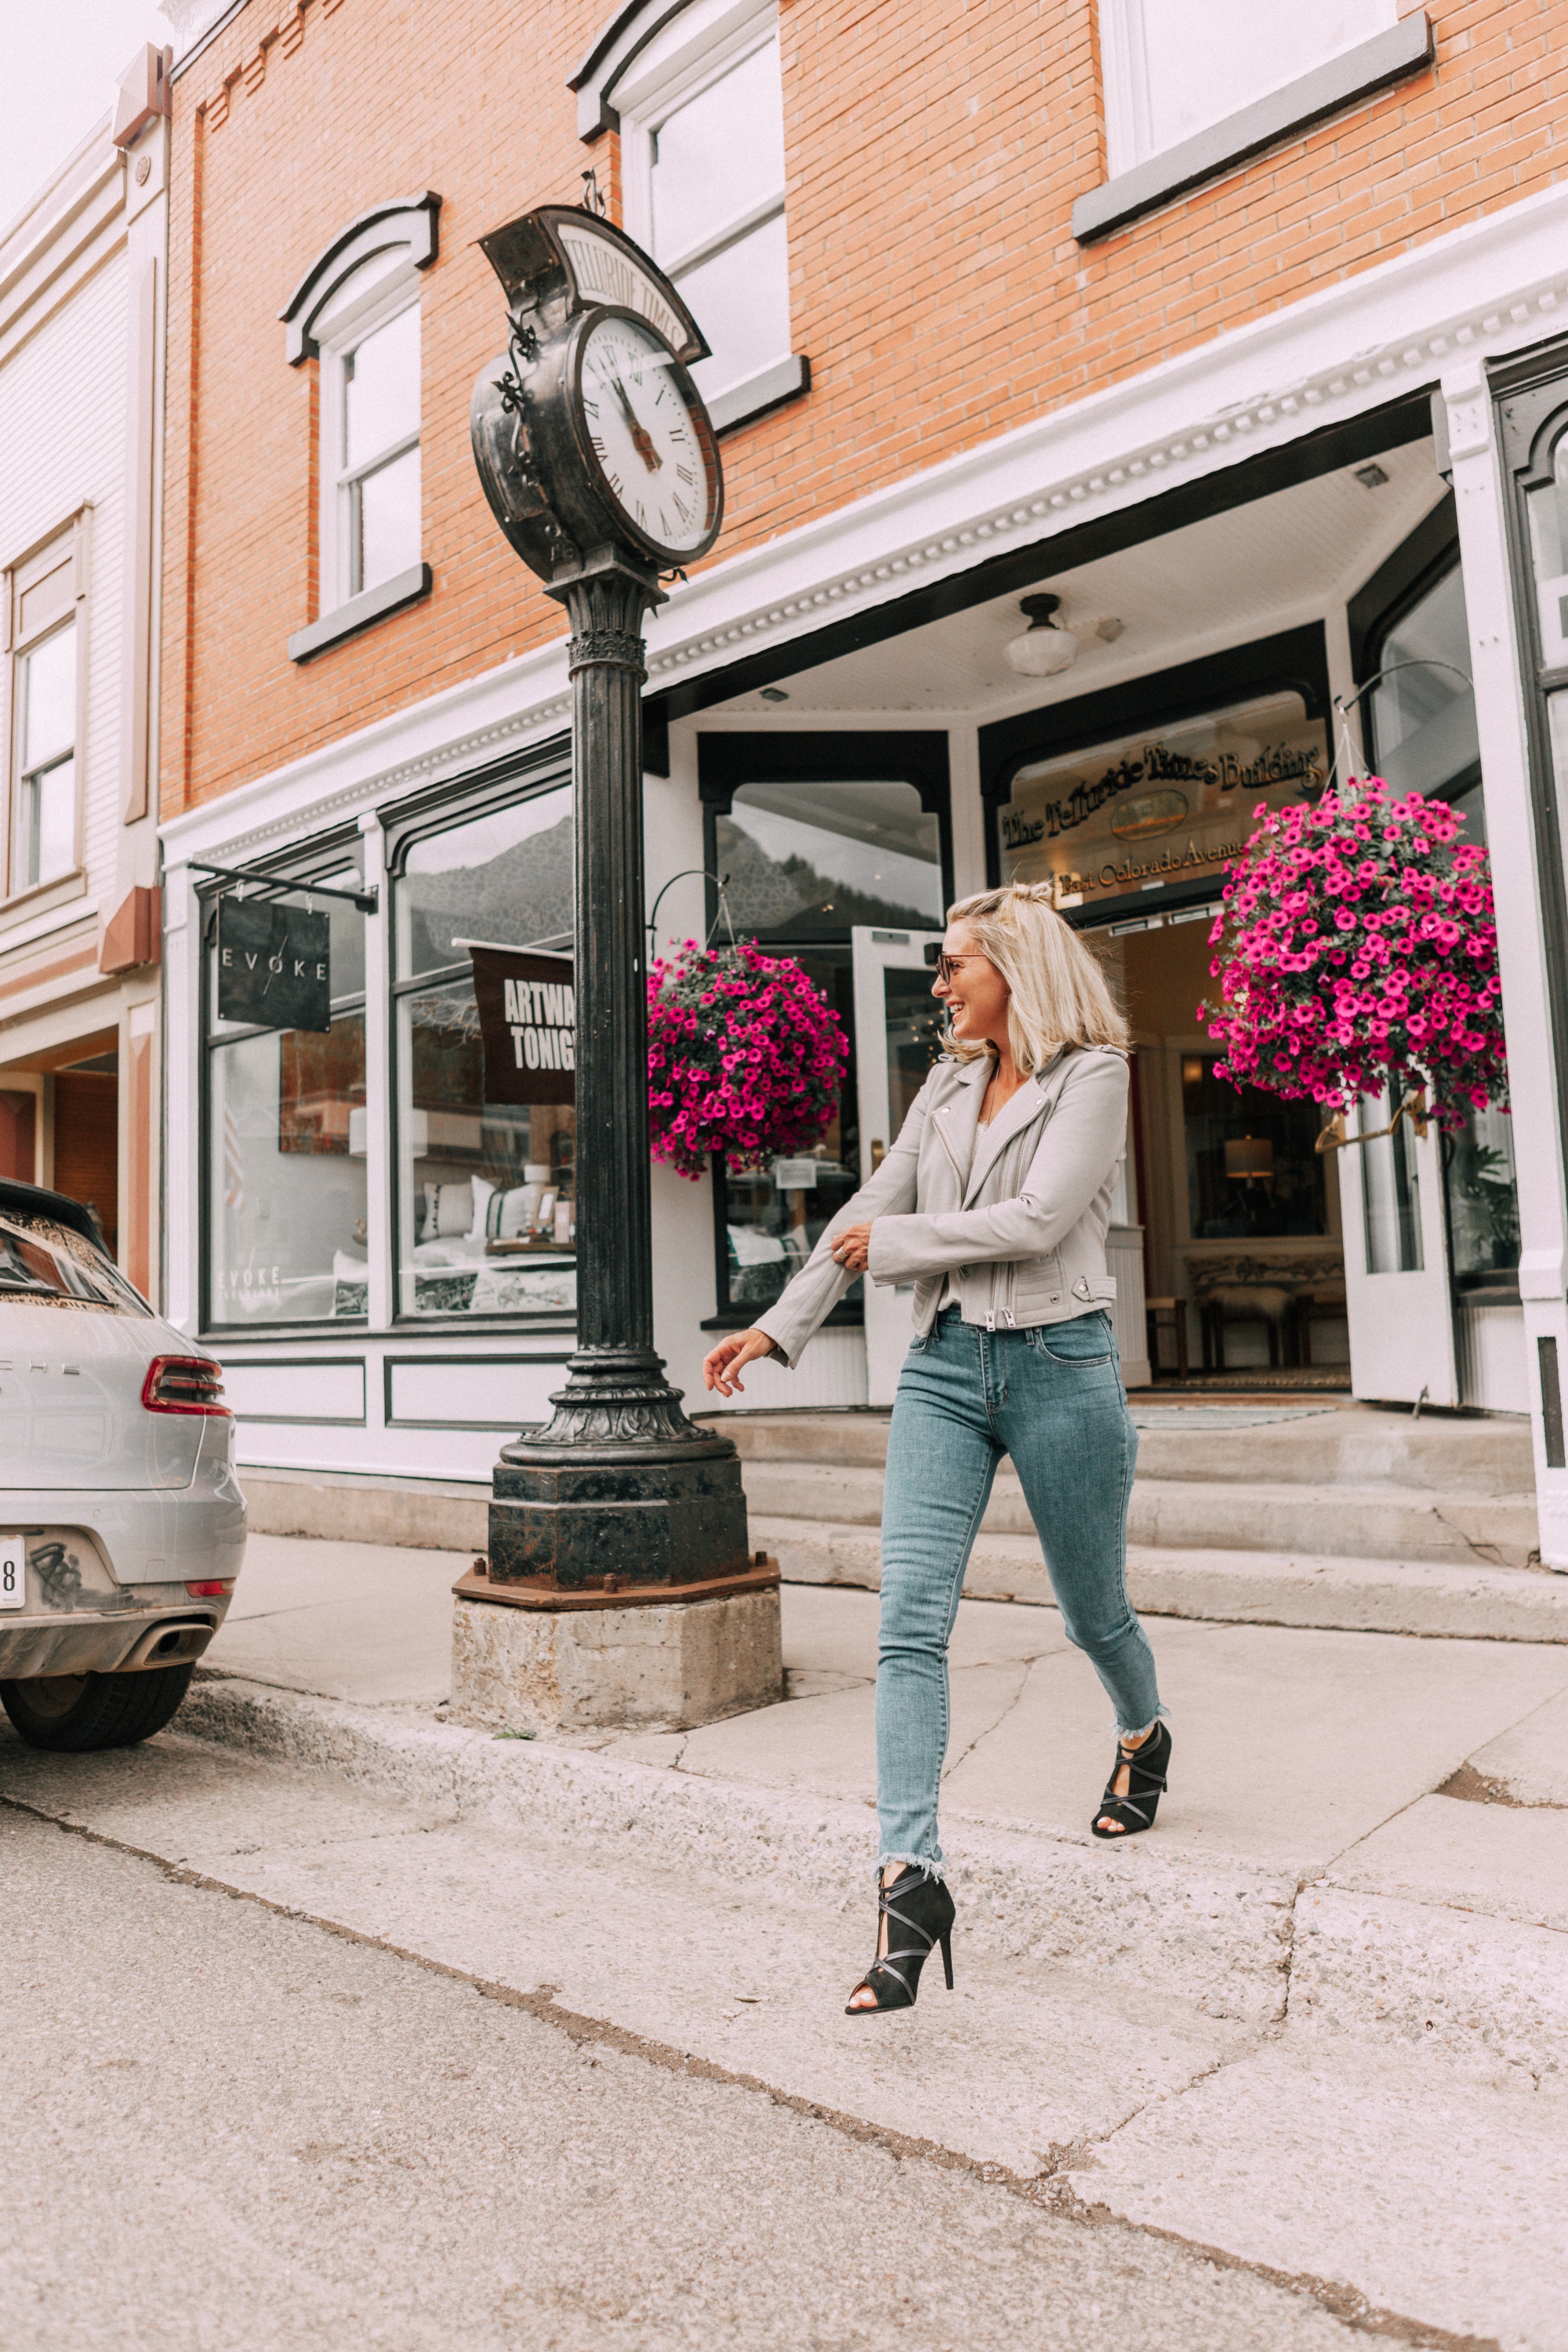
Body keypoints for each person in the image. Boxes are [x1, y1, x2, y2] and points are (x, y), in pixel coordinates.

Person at [702, 881, 1170, 2016]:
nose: (942, 982)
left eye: (957, 963)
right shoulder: (949, 1084)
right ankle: (910, 1883)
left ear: (1016, 968)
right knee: (907, 1622)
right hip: (947, 1368)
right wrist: (782, 1319)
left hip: (1062, 1366)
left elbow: (1040, 1221)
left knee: (1090, 1608)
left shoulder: (1094, 1075)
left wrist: (892, 1245)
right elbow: (873, 1197)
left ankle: (1143, 1734)